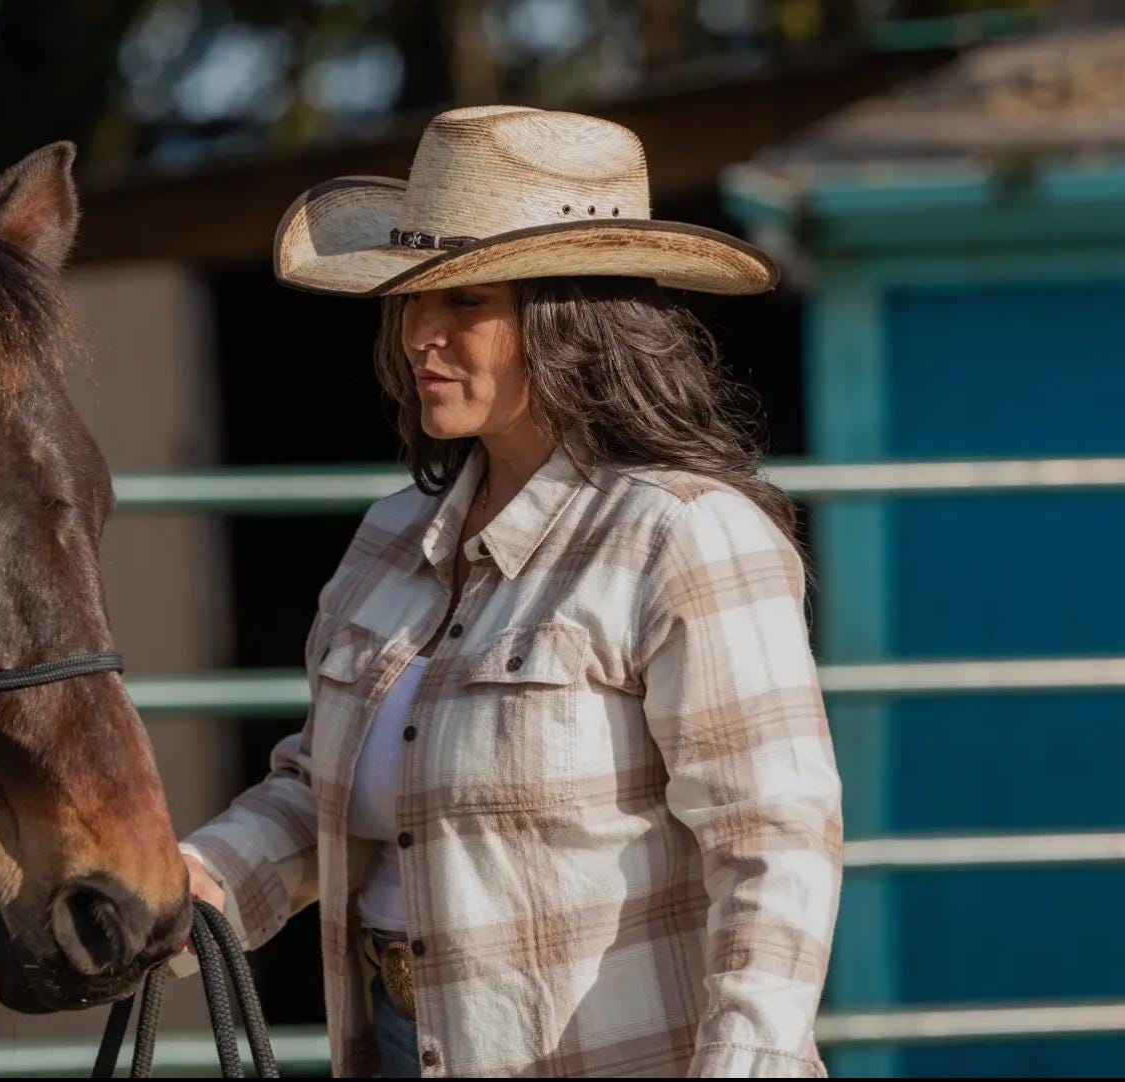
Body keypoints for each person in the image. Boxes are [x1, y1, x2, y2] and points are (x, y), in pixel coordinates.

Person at [175, 105, 843, 1078]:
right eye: (413, 301)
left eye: (465, 303)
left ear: (567, 314)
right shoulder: (391, 536)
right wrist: (188, 882)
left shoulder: (684, 535)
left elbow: (775, 849)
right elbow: (317, 792)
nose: (420, 336)